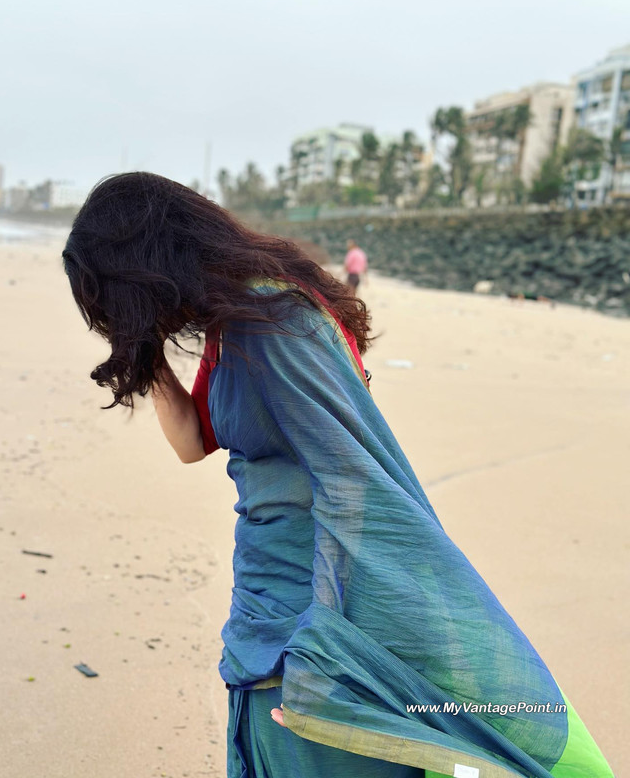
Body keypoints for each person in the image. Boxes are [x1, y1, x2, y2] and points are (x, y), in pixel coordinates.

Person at [62, 172, 613, 778]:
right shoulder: (235, 322)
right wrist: (140, 348)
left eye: (115, 296)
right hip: (271, 601)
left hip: (311, 610)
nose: (117, 313)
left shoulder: (272, 322)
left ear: (145, 265)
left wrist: (322, 645)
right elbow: (193, 444)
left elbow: (351, 481)